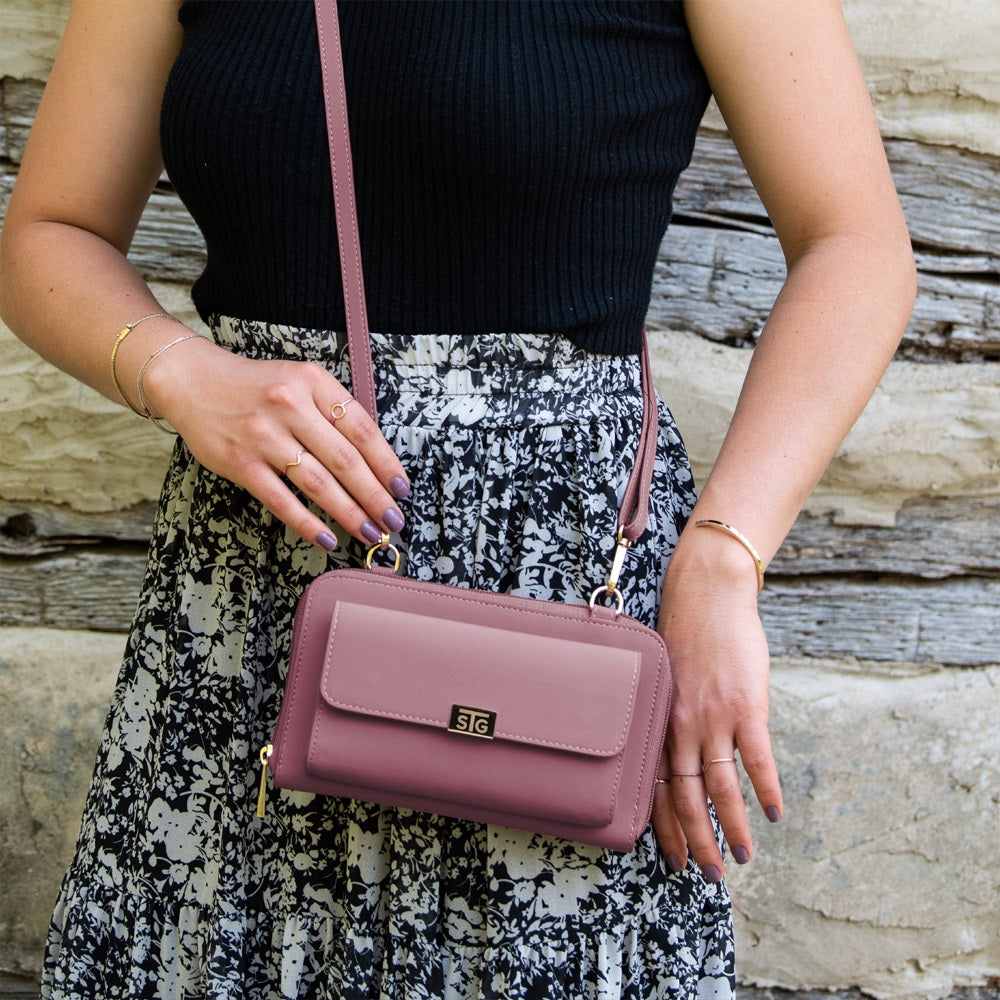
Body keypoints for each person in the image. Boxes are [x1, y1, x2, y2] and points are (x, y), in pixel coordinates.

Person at [0, 0, 915, 997]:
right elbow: (51, 229)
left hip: (563, 621)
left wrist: (722, 558)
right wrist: (182, 373)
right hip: (249, 623)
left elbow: (856, 248)